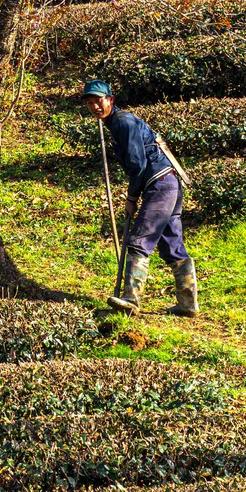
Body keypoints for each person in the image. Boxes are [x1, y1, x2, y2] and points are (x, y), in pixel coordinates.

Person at [81, 79, 196, 316]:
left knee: (138, 240)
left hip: (160, 183)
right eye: (90, 103)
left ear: (110, 100)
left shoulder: (123, 121)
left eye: (99, 101)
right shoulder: (116, 124)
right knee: (171, 245)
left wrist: (131, 197)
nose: (95, 107)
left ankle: (131, 299)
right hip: (169, 183)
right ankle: (188, 304)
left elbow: (137, 165)